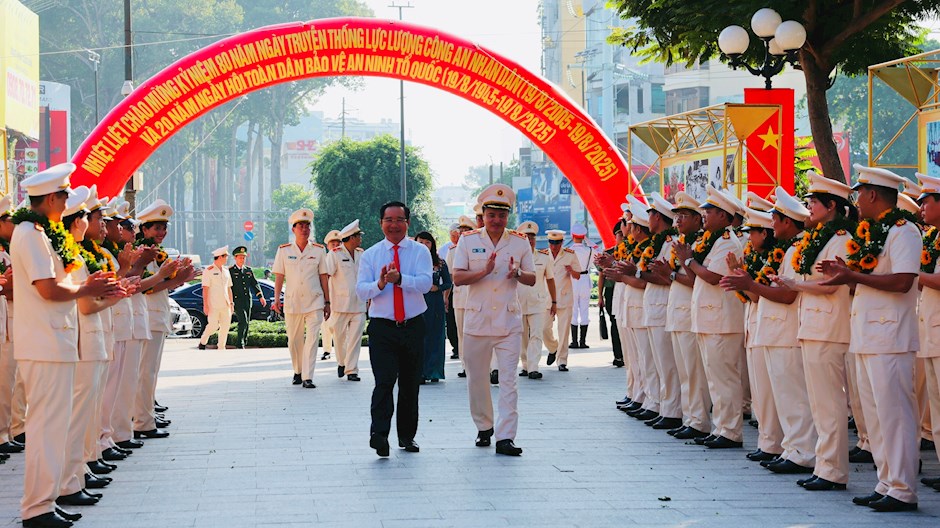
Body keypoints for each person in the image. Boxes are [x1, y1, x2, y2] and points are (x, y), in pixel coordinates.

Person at [13, 163, 121, 528]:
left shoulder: (40, 233)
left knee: (54, 428)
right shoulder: (29, 234)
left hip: (54, 342)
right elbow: (48, 289)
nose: (66, 202)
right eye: (63, 196)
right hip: (43, 343)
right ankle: (36, 508)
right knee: (45, 428)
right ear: (50, 199)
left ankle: (46, 501)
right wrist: (88, 288)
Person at [818, 164, 921, 512]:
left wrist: (854, 276)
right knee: (875, 416)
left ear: (873, 194)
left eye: (860, 193)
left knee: (895, 415)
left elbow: (904, 281)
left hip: (891, 336)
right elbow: (867, 279)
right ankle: (886, 482)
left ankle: (903, 488)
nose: (857, 200)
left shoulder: (903, 232)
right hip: (868, 334)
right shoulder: (873, 231)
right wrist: (843, 275)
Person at [722, 188, 818, 472]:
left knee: (792, 396)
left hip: (786, 331)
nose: (771, 226)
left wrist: (749, 284)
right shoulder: (789, 250)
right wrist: (745, 279)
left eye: (774, 220)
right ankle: (789, 448)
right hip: (773, 330)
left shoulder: (795, 250)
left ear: (787, 221)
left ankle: (801, 452)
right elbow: (759, 293)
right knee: (779, 395)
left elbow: (788, 295)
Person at [774, 173, 856, 491]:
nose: (808, 207)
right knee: (820, 402)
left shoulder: (842, 240)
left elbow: (832, 283)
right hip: (814, 325)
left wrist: (796, 285)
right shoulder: (819, 238)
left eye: (813, 202)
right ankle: (824, 465)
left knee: (830, 402)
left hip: (830, 327)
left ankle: (833, 470)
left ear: (831, 205)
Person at [452, 184, 535, 456]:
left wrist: (518, 274)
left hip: (508, 322)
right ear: (483, 216)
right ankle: (484, 426)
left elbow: (532, 278)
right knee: (477, 379)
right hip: (477, 322)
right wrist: (484, 271)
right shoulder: (468, 241)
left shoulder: (520, 242)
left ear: (507, 216)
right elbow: (458, 278)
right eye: (491, 215)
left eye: (502, 215)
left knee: (509, 380)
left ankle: (506, 436)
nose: (496, 220)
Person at [356, 201, 432, 457]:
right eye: (388, 220)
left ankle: (407, 436)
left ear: (407, 223)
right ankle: (379, 435)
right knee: (384, 382)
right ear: (381, 224)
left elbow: (425, 284)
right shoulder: (371, 255)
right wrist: (379, 283)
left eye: (399, 220)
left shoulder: (419, 252)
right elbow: (361, 290)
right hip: (382, 328)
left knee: (410, 385)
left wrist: (401, 280)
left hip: (412, 326)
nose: (394, 225)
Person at [673, 184, 746, 449]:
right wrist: (688, 262)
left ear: (725, 217)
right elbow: (696, 277)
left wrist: (689, 260)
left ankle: (730, 431)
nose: (705, 215)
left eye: (710, 211)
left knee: (724, 378)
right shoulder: (711, 241)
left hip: (722, 320)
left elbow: (714, 277)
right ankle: (721, 427)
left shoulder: (727, 242)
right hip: (709, 319)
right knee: (714, 378)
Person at [133, 199, 196, 440]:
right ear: (144, 229)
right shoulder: (144, 253)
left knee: (150, 371)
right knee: (145, 372)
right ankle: (142, 421)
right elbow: (148, 287)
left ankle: (146, 415)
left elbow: (160, 283)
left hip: (156, 315)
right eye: (156, 227)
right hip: (147, 315)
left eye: (164, 227)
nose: (162, 232)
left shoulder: (156, 253)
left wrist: (180, 276)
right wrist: (176, 278)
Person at [272, 208, 331, 388]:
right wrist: (276, 300)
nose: (305, 229)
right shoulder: (284, 250)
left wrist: (327, 302)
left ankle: (308, 376)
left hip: (315, 301)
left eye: (307, 226)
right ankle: (298, 371)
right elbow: (279, 276)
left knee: (312, 339)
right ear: (294, 229)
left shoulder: (320, 250)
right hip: (293, 301)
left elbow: (324, 277)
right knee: (294, 340)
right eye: (301, 226)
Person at [916, 171, 940, 492]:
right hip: (932, 331)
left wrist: (913, 274)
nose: (921, 208)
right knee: (935, 403)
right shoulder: (933, 238)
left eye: (926, 201)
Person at [325, 220, 366, 382]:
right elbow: (326, 276)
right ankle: (342, 362)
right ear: (350, 238)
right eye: (358, 236)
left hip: (358, 303)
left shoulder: (362, 254)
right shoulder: (334, 254)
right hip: (340, 304)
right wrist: (326, 300)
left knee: (355, 339)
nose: (360, 239)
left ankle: (352, 370)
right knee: (339, 337)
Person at [516, 221, 555, 379]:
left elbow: (551, 279)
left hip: (538, 302)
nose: (530, 240)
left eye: (532, 237)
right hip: (519, 301)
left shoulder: (544, 257)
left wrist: (554, 301)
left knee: (537, 334)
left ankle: (534, 367)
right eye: (526, 237)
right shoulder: (515, 257)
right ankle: (525, 364)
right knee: (522, 336)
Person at [415, 231, 452, 383]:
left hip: (435, 303)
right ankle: (420, 372)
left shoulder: (440, 262)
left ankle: (434, 371)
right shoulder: (411, 261)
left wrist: (439, 288)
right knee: (419, 337)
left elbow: (449, 282)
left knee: (435, 337)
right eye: (421, 242)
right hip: (417, 302)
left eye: (427, 242)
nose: (424, 245)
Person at [542, 230, 580, 371]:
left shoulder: (570, 255)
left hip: (564, 297)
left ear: (562, 243)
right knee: (543, 328)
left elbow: (578, 275)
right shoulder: (544, 255)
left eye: (557, 243)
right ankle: (553, 348)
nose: (554, 246)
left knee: (564, 331)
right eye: (551, 243)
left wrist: (571, 271)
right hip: (547, 298)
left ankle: (562, 360)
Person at [0, 194, 19, 456]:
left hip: (6, 319)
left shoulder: (6, 250)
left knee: (7, 381)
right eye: (10, 220)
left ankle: (4, 434)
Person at [448, 215, 477, 376]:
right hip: (459, 298)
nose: (464, 233)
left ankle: (484, 366)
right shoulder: (453, 251)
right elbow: (451, 275)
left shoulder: (480, 249)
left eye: (467, 230)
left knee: (478, 333)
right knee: (462, 334)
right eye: (462, 231)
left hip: (477, 298)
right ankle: (466, 366)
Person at [597, 221, 625, 368]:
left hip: (627, 289)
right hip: (611, 291)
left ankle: (626, 353)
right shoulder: (608, 254)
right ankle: (618, 355)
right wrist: (600, 296)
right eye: (619, 234)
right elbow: (601, 276)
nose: (622, 237)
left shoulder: (632, 252)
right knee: (614, 322)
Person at [229, 245, 265, 349]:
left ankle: (244, 341)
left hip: (247, 300)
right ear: (235, 258)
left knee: (247, 322)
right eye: (240, 257)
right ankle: (240, 343)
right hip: (236, 300)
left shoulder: (248, 270)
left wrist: (260, 296)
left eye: (243, 257)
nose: (242, 259)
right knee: (243, 320)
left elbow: (255, 284)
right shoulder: (231, 271)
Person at [198, 246, 234, 350]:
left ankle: (221, 347)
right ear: (220, 257)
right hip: (213, 304)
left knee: (225, 327)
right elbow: (205, 289)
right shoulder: (208, 270)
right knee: (213, 326)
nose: (227, 258)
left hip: (226, 304)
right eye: (225, 256)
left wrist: (231, 303)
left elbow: (229, 288)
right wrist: (205, 305)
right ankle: (203, 341)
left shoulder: (226, 271)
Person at [568, 224, 593, 349]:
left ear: (572, 236)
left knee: (573, 310)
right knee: (584, 311)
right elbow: (598, 250)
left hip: (573, 280)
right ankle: (582, 341)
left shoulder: (569, 250)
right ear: (583, 236)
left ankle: (574, 341)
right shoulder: (589, 250)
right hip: (585, 280)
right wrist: (588, 241)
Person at [320, 229, 342, 360]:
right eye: (332, 244)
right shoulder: (323, 259)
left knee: (340, 325)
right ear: (327, 246)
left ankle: (341, 351)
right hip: (327, 296)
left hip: (341, 297)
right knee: (326, 325)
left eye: (338, 243)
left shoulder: (346, 258)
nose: (335, 246)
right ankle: (327, 350)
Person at [440, 223, 461, 359]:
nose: (455, 238)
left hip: (464, 289)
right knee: (452, 322)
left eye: (457, 235)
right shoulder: (445, 249)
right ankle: (456, 347)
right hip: (451, 289)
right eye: (452, 235)